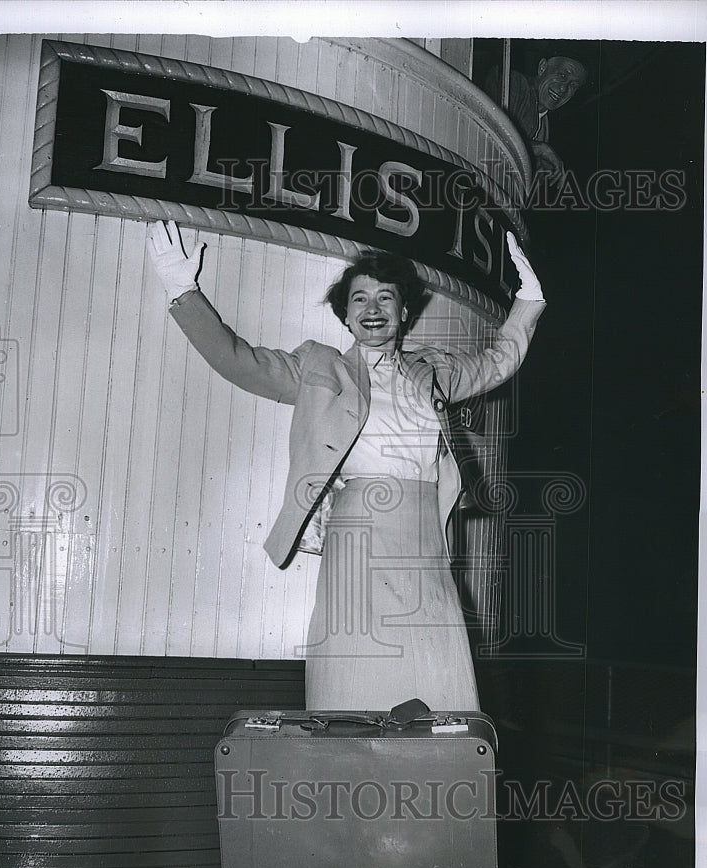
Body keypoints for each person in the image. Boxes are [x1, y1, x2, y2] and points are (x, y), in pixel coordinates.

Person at [146, 222, 545, 712]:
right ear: (345, 314)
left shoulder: (435, 370)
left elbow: (498, 362)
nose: (372, 310)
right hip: (356, 528)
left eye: (384, 298)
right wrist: (181, 288)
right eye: (359, 299)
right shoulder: (320, 367)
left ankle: (430, 779)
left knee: (433, 662)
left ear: (404, 310)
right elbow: (239, 360)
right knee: (354, 659)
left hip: (423, 532)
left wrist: (529, 298)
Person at [486, 55, 588, 185]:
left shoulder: (544, 123)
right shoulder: (514, 82)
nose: (563, 88)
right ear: (542, 67)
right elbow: (491, 134)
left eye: (573, 85)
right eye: (562, 76)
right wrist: (539, 149)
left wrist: (542, 171)